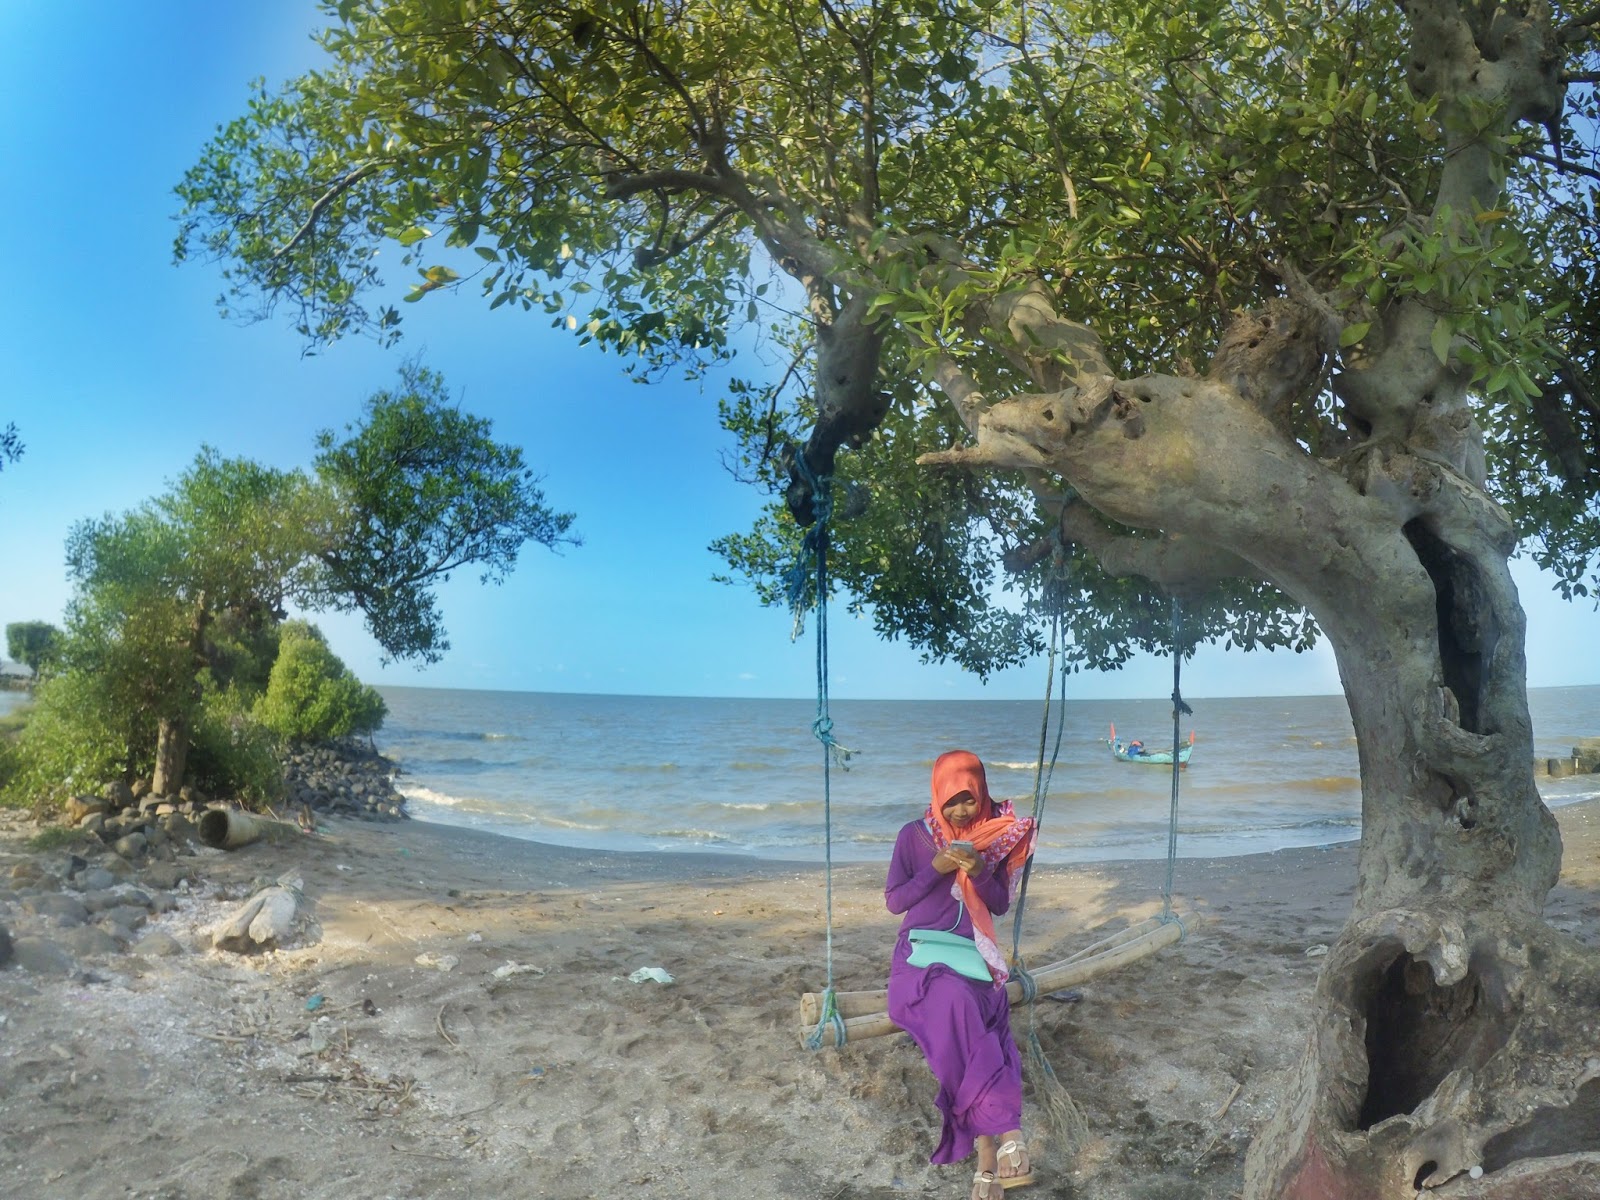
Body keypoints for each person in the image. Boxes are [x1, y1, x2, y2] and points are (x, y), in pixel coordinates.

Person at [885, 749, 1039, 1199]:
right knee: (957, 1005)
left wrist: (979, 872)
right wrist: (937, 869)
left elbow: (998, 904)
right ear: (936, 797)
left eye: (968, 799)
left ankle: (986, 1151)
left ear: (982, 793)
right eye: (950, 801)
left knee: (979, 1016)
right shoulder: (913, 837)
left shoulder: (994, 836)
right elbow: (895, 901)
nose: (959, 810)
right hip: (920, 957)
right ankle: (1005, 1134)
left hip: (973, 954)